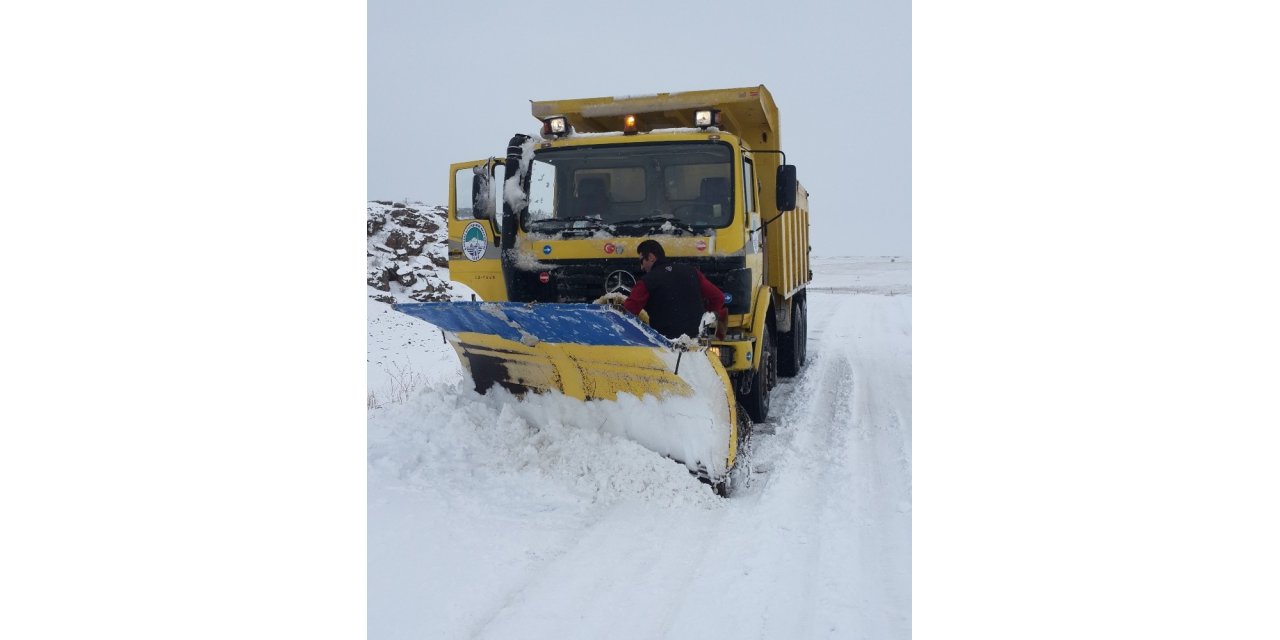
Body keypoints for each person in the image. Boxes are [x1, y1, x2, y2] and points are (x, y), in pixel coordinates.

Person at [623, 239, 728, 340]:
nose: (642, 267)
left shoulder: (646, 282)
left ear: (651, 257)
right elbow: (718, 297)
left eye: (642, 261)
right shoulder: (692, 272)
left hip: (665, 346)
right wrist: (705, 316)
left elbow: (626, 313)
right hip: (695, 344)